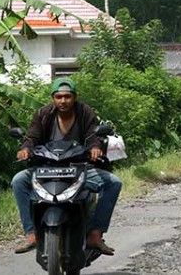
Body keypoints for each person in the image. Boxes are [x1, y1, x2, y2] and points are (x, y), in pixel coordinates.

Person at [11, 77, 121, 256]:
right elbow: (32, 136)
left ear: (74, 97)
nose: (63, 101)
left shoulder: (85, 112)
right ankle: (31, 234)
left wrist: (95, 148)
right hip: (45, 167)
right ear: (53, 98)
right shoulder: (43, 114)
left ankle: (95, 234)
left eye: (68, 97)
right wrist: (25, 149)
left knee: (113, 183)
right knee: (18, 181)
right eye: (59, 97)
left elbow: (94, 134)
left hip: (79, 166)